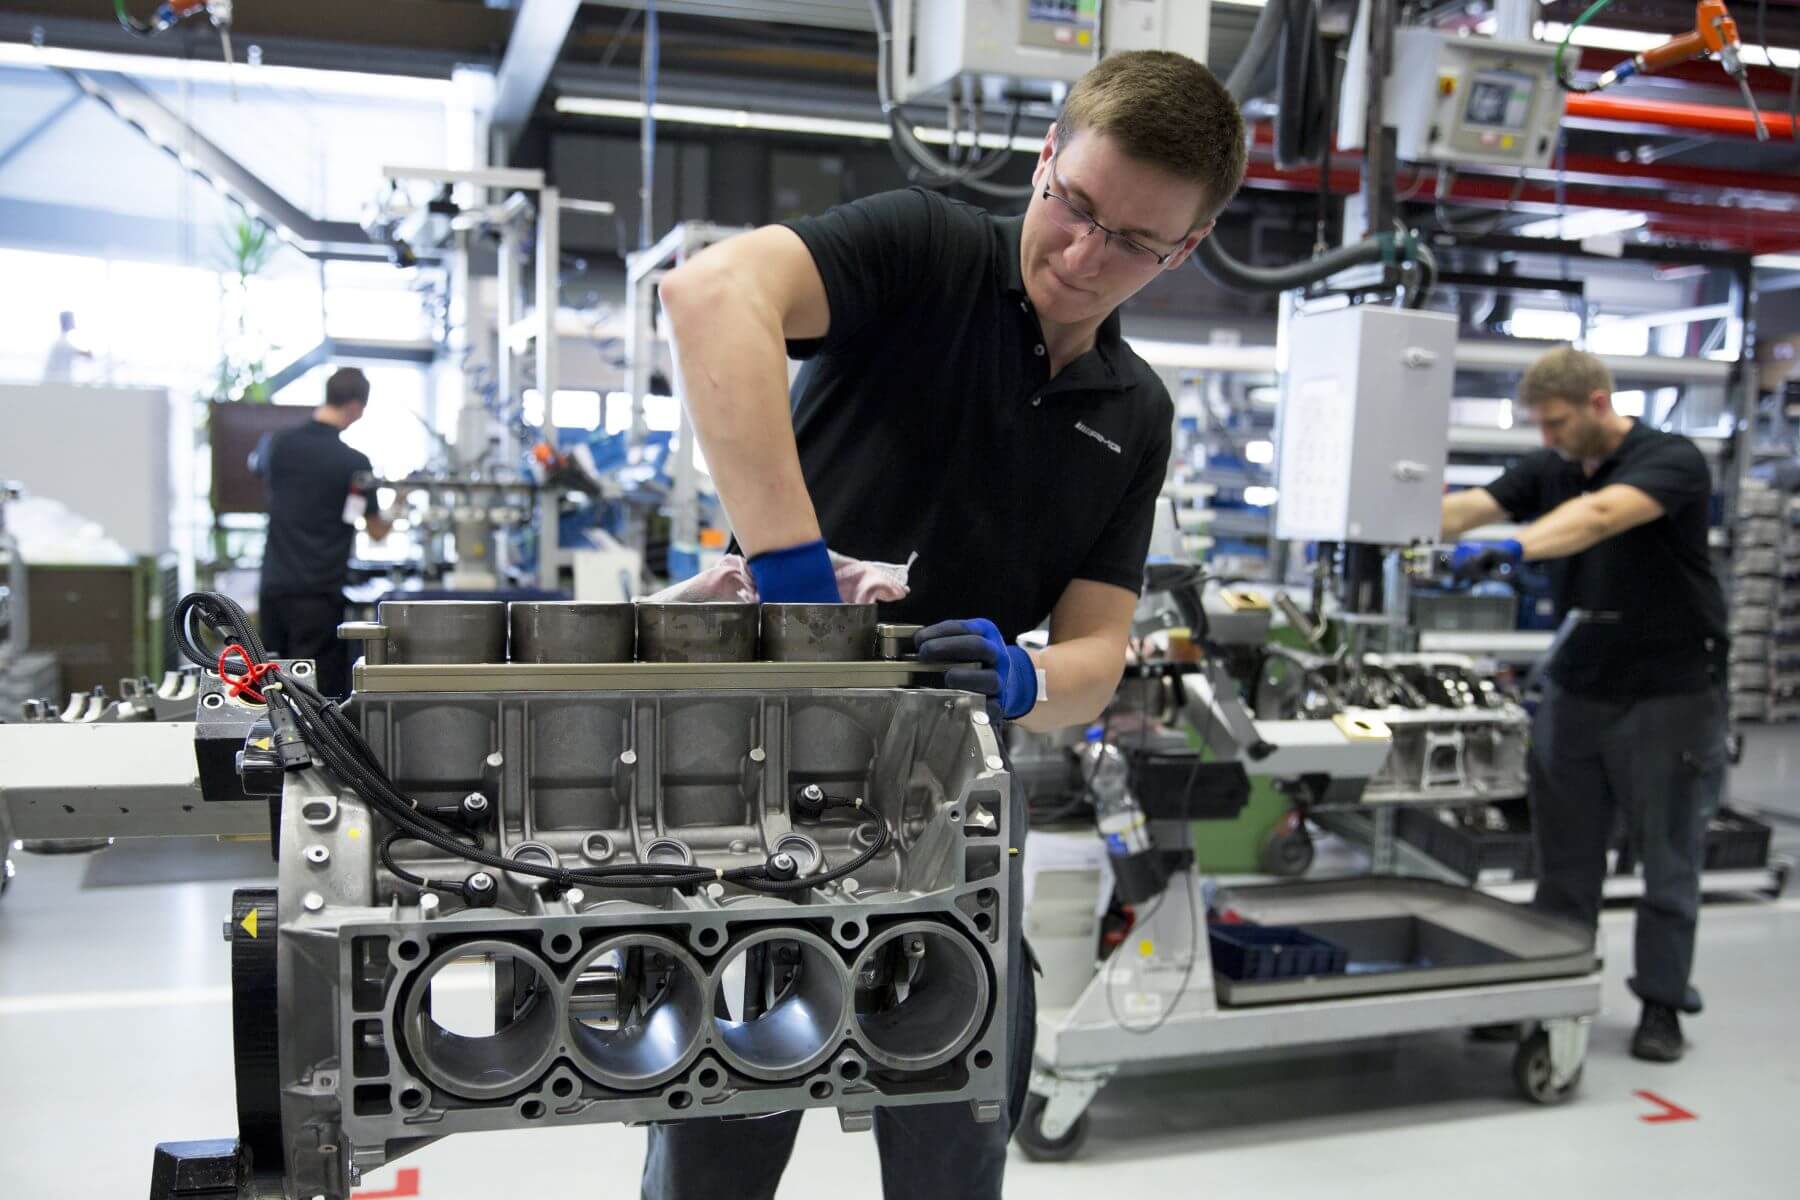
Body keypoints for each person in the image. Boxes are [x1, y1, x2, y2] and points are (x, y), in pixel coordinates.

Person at [647, 50, 1245, 1198]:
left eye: (1132, 242)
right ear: (1045, 159)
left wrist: (1022, 677)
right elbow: (712, 295)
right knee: (719, 1135)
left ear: (1184, 250)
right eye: (1073, 206)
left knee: (958, 1131)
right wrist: (792, 582)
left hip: (951, 802)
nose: (1082, 253)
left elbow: (1094, 654)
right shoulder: (929, 251)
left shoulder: (1135, 412)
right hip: (760, 780)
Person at [1440, 346, 1729, 1064]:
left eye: (1557, 423)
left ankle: (1663, 1004)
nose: (1547, 439)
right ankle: (1549, 991)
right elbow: (1471, 506)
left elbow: (1599, 517)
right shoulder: (1554, 464)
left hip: (1670, 694)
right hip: (1578, 689)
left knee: (1667, 858)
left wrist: (1510, 548)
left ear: (1598, 403)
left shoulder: (1671, 459)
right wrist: (1387, 523)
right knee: (1564, 861)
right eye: (1538, 426)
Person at [256, 368, 391, 696]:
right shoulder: (353, 464)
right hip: (318, 594)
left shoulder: (278, 444)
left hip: (275, 586)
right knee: (316, 694)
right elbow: (375, 531)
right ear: (356, 407)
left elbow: (259, 471)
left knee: (270, 685)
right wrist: (398, 504)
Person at [42, 311, 94, 383]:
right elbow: (85, 355)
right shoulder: (62, 343)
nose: (74, 322)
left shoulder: (62, 341)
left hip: (57, 382)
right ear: (67, 321)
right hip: (58, 383)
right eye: (72, 319)